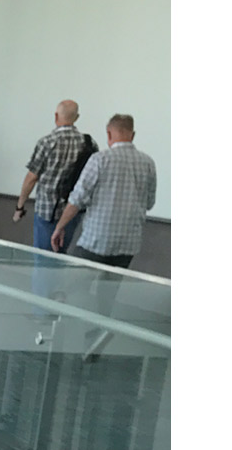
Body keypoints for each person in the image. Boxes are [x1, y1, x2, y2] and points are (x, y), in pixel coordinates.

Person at [51, 113, 157, 349]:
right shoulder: (148, 163)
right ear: (133, 135)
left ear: (109, 134)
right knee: (109, 291)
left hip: (95, 241)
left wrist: (60, 227)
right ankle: (99, 331)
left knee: (73, 283)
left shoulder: (100, 160)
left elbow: (77, 199)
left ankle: (67, 333)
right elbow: (149, 203)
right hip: (127, 242)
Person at [12, 99, 87, 253]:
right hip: (72, 210)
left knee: (42, 257)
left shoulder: (47, 142)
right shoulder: (87, 143)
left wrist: (19, 206)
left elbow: (32, 178)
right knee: (61, 255)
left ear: (55, 116)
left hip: (47, 210)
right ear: (77, 117)